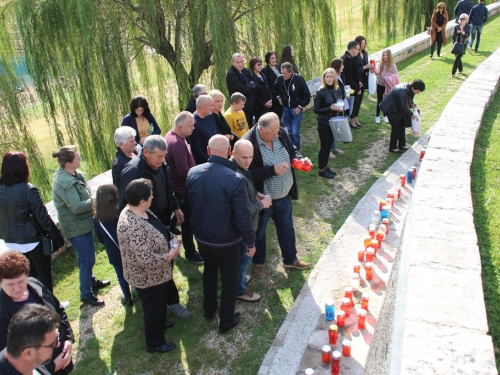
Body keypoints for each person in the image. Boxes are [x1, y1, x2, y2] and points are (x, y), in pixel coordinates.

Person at [186, 135, 256, 333]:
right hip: (226, 242)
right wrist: (251, 243)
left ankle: (209, 309)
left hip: (202, 238)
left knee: (209, 271)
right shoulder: (235, 179)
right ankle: (226, 320)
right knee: (229, 279)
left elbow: (190, 205)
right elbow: (242, 217)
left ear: (208, 151)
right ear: (228, 152)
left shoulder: (193, 172)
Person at [119, 136, 189, 319]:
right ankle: (161, 301)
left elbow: (168, 188)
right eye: (159, 156)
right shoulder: (133, 171)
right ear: (146, 153)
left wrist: (175, 206)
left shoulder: (161, 165)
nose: (163, 160)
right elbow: (124, 206)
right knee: (154, 264)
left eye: (164, 156)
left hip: (162, 222)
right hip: (144, 228)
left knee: (167, 264)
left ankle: (170, 300)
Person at [242, 113, 311, 278]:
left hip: (284, 196)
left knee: (287, 229)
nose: (275, 136)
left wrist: (299, 159)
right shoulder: (248, 142)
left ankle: (290, 259)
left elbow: (292, 149)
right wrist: (272, 170)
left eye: (277, 132)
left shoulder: (278, 131)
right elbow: (247, 174)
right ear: (260, 129)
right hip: (263, 200)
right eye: (271, 134)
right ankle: (259, 263)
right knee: (259, 233)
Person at [117, 179, 180, 353]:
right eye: (150, 195)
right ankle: (155, 343)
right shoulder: (132, 226)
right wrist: (170, 255)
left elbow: (157, 227)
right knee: (152, 309)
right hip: (147, 277)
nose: (153, 196)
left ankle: (160, 324)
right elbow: (147, 259)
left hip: (158, 274)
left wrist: (169, 237)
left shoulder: (142, 209)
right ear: (142, 200)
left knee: (159, 305)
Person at [52, 146, 109, 306]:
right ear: (68, 163)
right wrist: (95, 200)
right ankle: (86, 294)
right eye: (77, 157)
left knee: (84, 257)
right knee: (87, 260)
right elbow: (76, 207)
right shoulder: (65, 183)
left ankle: (91, 281)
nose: (80, 159)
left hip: (82, 223)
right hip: (76, 227)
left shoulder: (74, 174)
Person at [0, 252, 74, 374]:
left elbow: (58, 310)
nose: (17, 288)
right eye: (10, 285)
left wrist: (68, 339)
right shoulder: (2, 315)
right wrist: (51, 367)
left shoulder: (35, 284)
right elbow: (10, 358)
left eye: (20, 282)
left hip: (64, 357)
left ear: (27, 275)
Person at [0, 152, 64, 292]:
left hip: (11, 241)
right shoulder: (28, 190)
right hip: (32, 241)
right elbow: (44, 218)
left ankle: (35, 306)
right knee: (44, 276)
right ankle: (49, 306)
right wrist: (59, 240)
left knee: (29, 277)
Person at [230, 140, 272, 302]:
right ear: (233, 154)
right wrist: (262, 204)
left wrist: (256, 195)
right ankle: (240, 290)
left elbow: (246, 194)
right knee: (244, 259)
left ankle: (239, 278)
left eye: (251, 157)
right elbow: (244, 210)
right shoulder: (237, 175)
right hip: (243, 228)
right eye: (244, 157)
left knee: (241, 260)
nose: (248, 161)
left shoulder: (239, 168)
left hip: (239, 228)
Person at [165, 112, 204, 264]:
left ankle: (172, 223)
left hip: (180, 190)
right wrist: (199, 178)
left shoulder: (172, 135)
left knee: (184, 216)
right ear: (180, 127)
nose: (193, 128)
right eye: (190, 126)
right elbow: (183, 171)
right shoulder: (178, 144)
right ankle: (190, 252)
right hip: (183, 190)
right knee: (188, 224)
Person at [93, 185, 133, 306]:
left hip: (114, 252)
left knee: (121, 275)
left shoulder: (97, 219)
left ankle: (127, 297)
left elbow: (100, 238)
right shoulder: (121, 211)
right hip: (128, 248)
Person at [0, 304, 61, 375]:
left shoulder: (30, 356)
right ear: (28, 353)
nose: (58, 344)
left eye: (57, 337)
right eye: (52, 343)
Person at [379, 79, 425, 154]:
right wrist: (412, 115)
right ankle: (393, 147)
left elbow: (407, 100)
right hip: (390, 109)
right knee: (396, 127)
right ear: (414, 88)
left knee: (402, 125)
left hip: (396, 108)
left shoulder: (409, 88)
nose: (418, 93)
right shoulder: (403, 91)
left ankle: (402, 144)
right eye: (418, 91)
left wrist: (411, 103)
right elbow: (403, 106)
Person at [314, 68, 344, 179]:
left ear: (334, 78)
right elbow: (316, 110)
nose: (329, 79)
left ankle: (325, 167)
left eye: (331, 77)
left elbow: (339, 101)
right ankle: (321, 170)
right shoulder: (320, 91)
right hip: (324, 123)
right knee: (324, 146)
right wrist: (330, 108)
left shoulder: (336, 89)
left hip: (333, 122)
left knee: (329, 145)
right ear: (324, 78)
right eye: (327, 77)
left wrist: (339, 108)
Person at [273, 62, 311, 150]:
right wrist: (278, 97)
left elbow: (306, 95)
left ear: (291, 72)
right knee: (288, 131)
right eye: (282, 73)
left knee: (295, 132)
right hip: (286, 108)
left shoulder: (299, 79)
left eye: (285, 74)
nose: (283, 75)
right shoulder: (279, 79)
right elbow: (274, 89)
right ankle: (290, 150)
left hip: (296, 108)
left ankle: (297, 151)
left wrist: (300, 106)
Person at [226, 53, 256, 127]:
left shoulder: (245, 70)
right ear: (232, 63)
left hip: (251, 104)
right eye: (237, 62)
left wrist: (251, 86)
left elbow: (255, 83)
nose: (240, 64)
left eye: (242, 62)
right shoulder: (231, 74)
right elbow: (243, 90)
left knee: (250, 126)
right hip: (240, 106)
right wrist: (251, 85)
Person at [190, 94, 218, 165]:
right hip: (205, 163)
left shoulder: (210, 115)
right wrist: (211, 161)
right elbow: (197, 151)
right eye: (211, 106)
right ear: (202, 108)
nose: (213, 108)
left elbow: (216, 133)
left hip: (216, 156)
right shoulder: (194, 124)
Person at [341, 41, 363, 129]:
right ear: (353, 49)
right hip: (350, 88)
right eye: (358, 49)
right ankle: (348, 128)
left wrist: (358, 82)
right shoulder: (348, 59)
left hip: (352, 86)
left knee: (351, 107)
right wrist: (357, 89)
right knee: (349, 108)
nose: (358, 51)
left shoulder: (349, 57)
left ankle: (352, 123)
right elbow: (348, 77)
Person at [329, 58, 347, 158]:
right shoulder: (331, 78)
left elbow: (341, 90)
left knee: (336, 126)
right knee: (331, 128)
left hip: (339, 105)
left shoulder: (341, 76)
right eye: (342, 65)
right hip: (333, 107)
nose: (343, 67)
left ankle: (334, 147)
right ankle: (328, 150)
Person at [374, 49, 399, 124]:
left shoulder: (392, 65)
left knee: (387, 101)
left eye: (386, 55)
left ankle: (385, 115)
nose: (385, 57)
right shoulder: (380, 64)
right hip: (380, 85)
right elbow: (377, 70)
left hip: (388, 85)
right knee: (379, 100)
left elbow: (396, 75)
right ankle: (377, 116)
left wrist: (389, 78)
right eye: (383, 55)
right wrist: (374, 70)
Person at [351, 35, 371, 128]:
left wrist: (370, 68)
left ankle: (356, 118)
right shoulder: (355, 55)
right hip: (356, 80)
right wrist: (364, 67)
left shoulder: (365, 53)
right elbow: (354, 69)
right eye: (361, 43)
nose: (363, 45)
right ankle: (352, 119)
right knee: (355, 100)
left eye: (364, 43)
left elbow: (366, 67)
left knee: (359, 101)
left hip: (363, 80)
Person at [250, 57, 273, 121]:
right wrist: (263, 103)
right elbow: (254, 93)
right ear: (253, 66)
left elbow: (268, 87)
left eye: (261, 64)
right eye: (258, 65)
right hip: (259, 106)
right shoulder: (252, 77)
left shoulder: (263, 74)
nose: (260, 66)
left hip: (268, 102)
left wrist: (271, 99)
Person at [261, 51, 283, 119]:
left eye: (275, 58)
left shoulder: (279, 67)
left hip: (282, 94)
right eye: (271, 58)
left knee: (281, 114)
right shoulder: (265, 70)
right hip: (273, 97)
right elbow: (267, 85)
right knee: (275, 116)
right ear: (268, 59)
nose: (274, 60)